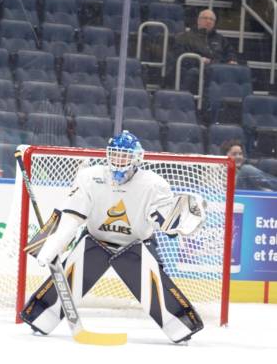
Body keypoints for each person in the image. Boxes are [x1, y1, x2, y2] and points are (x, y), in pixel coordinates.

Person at [22, 131, 207, 343]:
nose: (119, 160)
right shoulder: (90, 177)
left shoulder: (154, 185)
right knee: (72, 273)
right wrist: (55, 243)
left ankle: (181, 323)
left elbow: (165, 222)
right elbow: (73, 218)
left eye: (124, 155)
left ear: (137, 158)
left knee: (155, 284)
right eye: (115, 154)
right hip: (96, 241)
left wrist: (179, 223)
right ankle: (41, 315)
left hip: (137, 244)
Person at [170, 9, 237, 91]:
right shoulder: (184, 37)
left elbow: (230, 52)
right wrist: (198, 60)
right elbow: (179, 57)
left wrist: (232, 60)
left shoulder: (221, 39)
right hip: (197, 71)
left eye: (211, 19)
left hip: (218, 70)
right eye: (205, 18)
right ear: (198, 20)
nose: (208, 21)